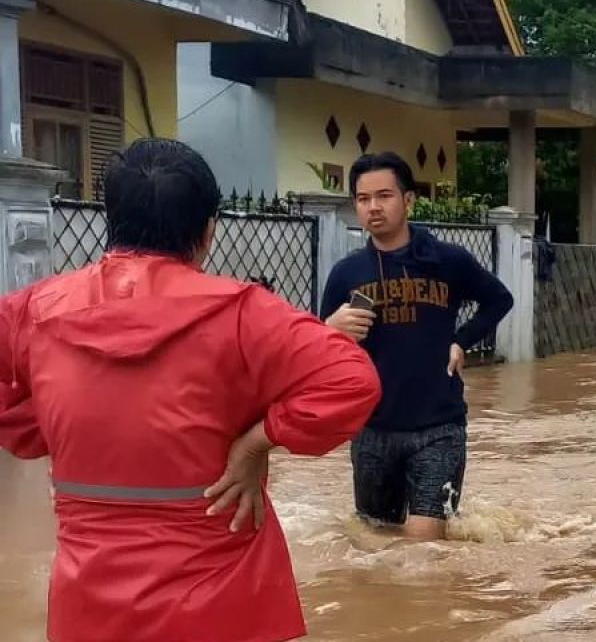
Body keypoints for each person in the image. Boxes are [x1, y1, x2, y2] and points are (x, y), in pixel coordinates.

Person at [0, 139, 381, 642]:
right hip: (222, 600)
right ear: (207, 231)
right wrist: (257, 440)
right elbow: (352, 381)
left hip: (88, 604)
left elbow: (19, 414)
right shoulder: (246, 313)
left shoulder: (31, 312)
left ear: (110, 221)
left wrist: (44, 425)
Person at [323, 152, 513, 540]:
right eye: (363, 199)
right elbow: (312, 348)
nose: (373, 208)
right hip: (371, 427)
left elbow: (499, 299)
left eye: (384, 196)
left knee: (423, 545)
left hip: (439, 426)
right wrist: (330, 328)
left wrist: (462, 341)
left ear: (408, 200)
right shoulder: (346, 273)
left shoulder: (446, 260)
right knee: (375, 541)